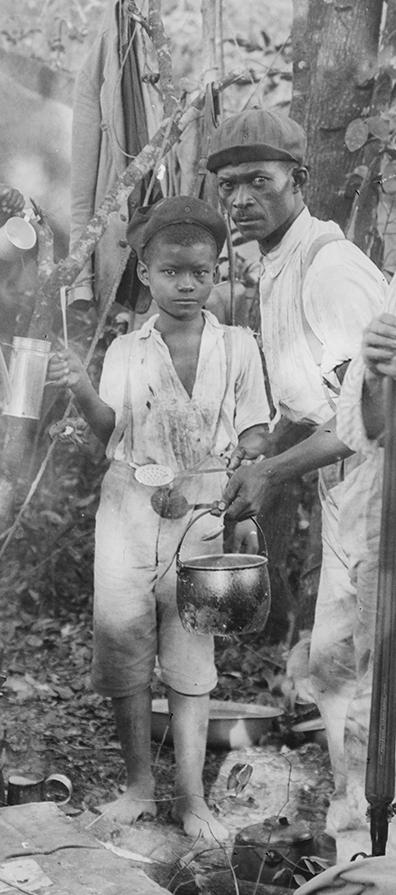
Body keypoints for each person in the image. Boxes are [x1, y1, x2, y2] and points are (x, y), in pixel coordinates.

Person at [47, 195, 269, 840]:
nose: (187, 284)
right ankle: (139, 786)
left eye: (201, 271)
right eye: (172, 271)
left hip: (202, 509)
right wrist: (82, 389)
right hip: (128, 507)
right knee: (125, 644)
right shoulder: (127, 348)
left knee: (191, 654)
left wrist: (246, 478)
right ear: (144, 271)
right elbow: (111, 432)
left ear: (216, 270)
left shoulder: (237, 346)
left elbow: (254, 429)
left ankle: (194, 797)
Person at [205, 107, 389, 856]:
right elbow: (306, 403)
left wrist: (272, 474)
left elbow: (361, 419)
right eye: (229, 187)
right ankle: (359, 827)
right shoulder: (272, 263)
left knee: (361, 662)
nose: (242, 199)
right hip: (346, 482)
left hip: (382, 479)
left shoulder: (331, 267)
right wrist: (255, 462)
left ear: (298, 180)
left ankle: (369, 840)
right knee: (341, 663)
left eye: (259, 180)